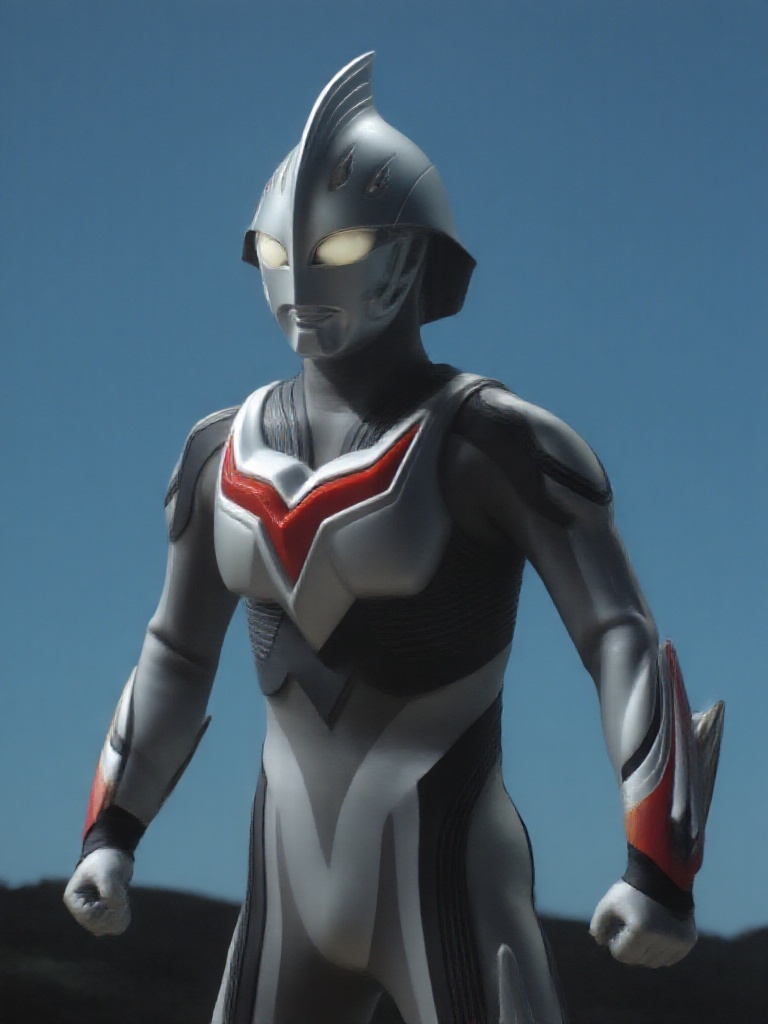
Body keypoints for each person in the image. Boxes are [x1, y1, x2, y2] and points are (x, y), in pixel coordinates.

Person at [64, 53, 724, 1024]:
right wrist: (111, 832)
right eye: (278, 253)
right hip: (284, 892)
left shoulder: (495, 444)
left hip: (454, 884)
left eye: (335, 249)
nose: (300, 280)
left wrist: (659, 863)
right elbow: (176, 652)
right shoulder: (219, 456)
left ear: (412, 256)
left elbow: (616, 633)